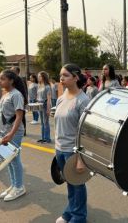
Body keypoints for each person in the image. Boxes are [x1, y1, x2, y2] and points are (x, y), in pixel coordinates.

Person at [54, 63, 90, 223]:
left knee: (77, 185)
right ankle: (70, 212)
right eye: (61, 75)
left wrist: (81, 158)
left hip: (73, 151)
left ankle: (79, 217)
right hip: (60, 149)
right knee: (69, 183)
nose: (61, 78)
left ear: (76, 77)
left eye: (66, 75)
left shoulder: (83, 100)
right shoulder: (61, 98)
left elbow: (85, 132)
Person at [0, 69, 27, 201]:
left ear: (11, 80)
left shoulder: (16, 95)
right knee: (8, 159)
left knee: (14, 159)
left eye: (2, 79)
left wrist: (10, 134)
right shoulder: (6, 94)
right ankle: (14, 185)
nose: (0, 81)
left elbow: (19, 116)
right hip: (5, 131)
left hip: (14, 132)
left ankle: (19, 187)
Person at [10, 66, 28, 136]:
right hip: (19, 100)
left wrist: (25, 100)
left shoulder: (18, 79)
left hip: (21, 100)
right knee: (19, 116)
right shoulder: (17, 79)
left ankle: (23, 131)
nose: (11, 72)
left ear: (17, 72)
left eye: (12, 70)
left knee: (21, 116)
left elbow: (24, 90)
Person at [37, 71, 52, 143]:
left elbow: (49, 98)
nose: (38, 77)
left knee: (46, 122)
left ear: (43, 77)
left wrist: (48, 109)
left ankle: (47, 139)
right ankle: (43, 138)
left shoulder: (47, 86)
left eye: (40, 76)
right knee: (42, 122)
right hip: (39, 104)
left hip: (45, 104)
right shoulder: (39, 85)